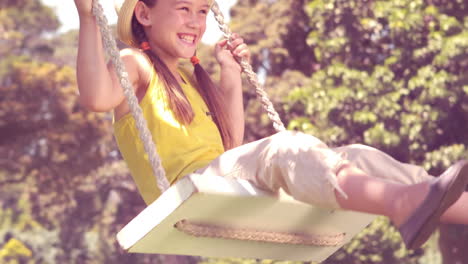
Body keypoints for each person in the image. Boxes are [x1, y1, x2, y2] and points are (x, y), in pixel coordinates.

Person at [73, 0, 468, 250]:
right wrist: (89, 18)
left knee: (359, 156)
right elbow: (95, 97)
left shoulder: (192, 78)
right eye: (183, 8)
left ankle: (441, 201)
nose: (195, 21)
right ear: (144, 13)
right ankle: (400, 204)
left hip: (223, 182)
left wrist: (229, 72)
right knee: (285, 147)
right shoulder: (136, 65)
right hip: (190, 190)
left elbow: (231, 144)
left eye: (202, 11)